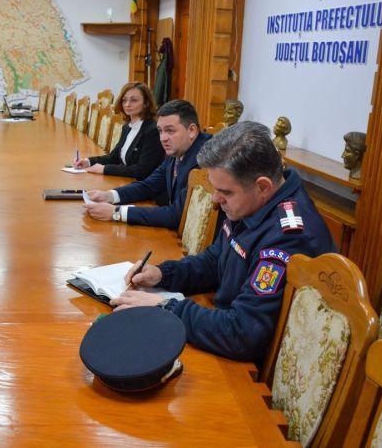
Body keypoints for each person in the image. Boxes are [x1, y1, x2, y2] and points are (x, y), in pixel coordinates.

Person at [110, 121, 335, 362]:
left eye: (225, 192)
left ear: (262, 186)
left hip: (240, 364)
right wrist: (163, 274)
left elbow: (243, 333)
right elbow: (215, 260)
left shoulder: (289, 238)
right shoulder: (251, 203)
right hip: (217, 326)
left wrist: (166, 308)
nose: (215, 200)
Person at [83, 100, 211, 229]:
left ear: (192, 131)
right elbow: (149, 186)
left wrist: (117, 212)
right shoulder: (179, 150)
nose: (163, 138)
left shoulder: (206, 161)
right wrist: (110, 195)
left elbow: (178, 215)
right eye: (160, 131)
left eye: (170, 131)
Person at [71, 82, 163, 180]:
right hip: (126, 180)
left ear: (146, 103)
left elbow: (142, 170)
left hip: (143, 184)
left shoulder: (152, 130)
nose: (127, 104)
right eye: (124, 100)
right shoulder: (127, 127)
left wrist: (105, 169)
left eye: (134, 100)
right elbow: (114, 157)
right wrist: (88, 162)